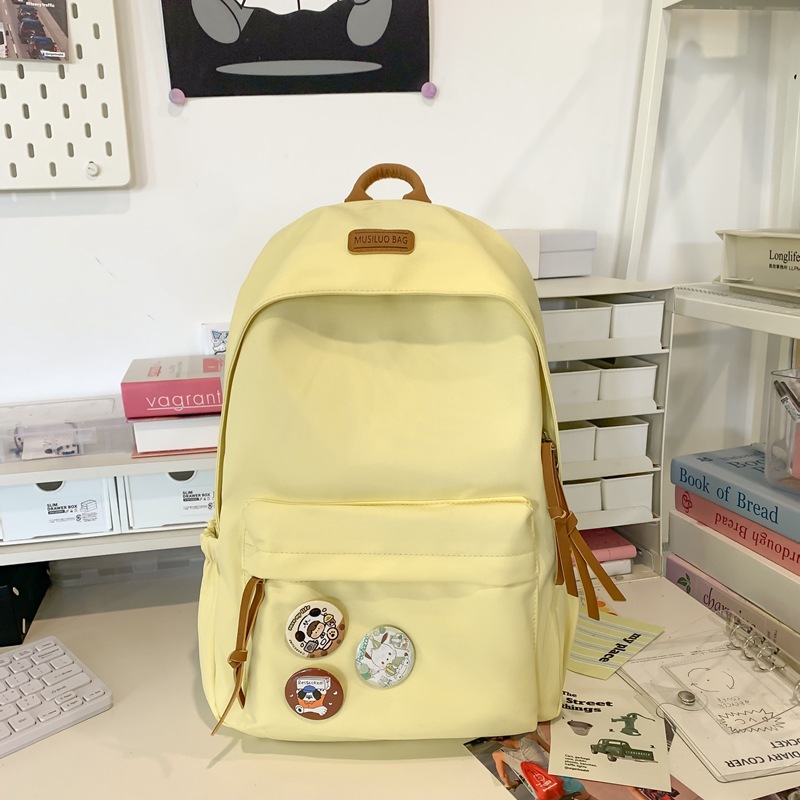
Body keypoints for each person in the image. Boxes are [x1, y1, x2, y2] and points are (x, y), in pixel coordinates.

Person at [491, 730, 594, 800]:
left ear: (493, 740)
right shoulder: (532, 736)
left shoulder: (498, 754)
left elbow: (503, 776)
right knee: (588, 798)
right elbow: (552, 753)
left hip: (542, 790)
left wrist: (510, 784)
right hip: (561, 780)